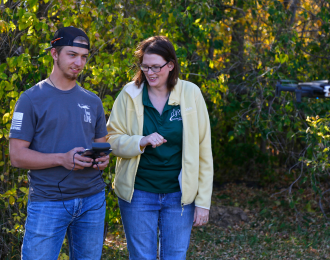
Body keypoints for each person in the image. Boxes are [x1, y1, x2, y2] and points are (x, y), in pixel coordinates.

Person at [106, 36, 213, 259]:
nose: (150, 72)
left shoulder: (190, 94)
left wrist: (203, 202)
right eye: (145, 66)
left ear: (171, 65)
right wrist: (140, 141)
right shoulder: (129, 94)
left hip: (179, 196)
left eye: (156, 67)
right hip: (139, 193)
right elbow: (111, 140)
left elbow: (203, 150)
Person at [9, 26, 110, 260]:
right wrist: (62, 159)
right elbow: (16, 155)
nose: (79, 62)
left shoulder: (92, 101)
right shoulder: (30, 99)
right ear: (55, 53)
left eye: (84, 57)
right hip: (48, 202)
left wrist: (101, 160)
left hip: (92, 201)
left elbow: (101, 147)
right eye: (72, 55)